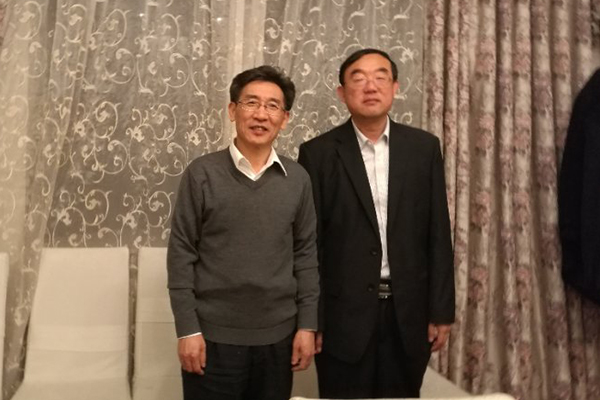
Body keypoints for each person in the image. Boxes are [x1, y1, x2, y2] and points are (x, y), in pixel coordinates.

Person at [297, 48, 455, 398]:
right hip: (342, 319)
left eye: (380, 77)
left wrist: (441, 310)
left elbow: (438, 233)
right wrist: (312, 318)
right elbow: (310, 243)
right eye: (359, 78)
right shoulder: (317, 153)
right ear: (342, 93)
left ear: (395, 87)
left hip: (409, 315)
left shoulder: (423, 148)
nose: (370, 86)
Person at [167, 65, 319, 400]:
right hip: (212, 339)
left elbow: (306, 255)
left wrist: (307, 325)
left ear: (285, 118)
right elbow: (181, 254)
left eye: (272, 106)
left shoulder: (298, 179)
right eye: (251, 103)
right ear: (232, 110)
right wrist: (187, 330)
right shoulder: (202, 174)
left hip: (278, 339)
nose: (261, 114)